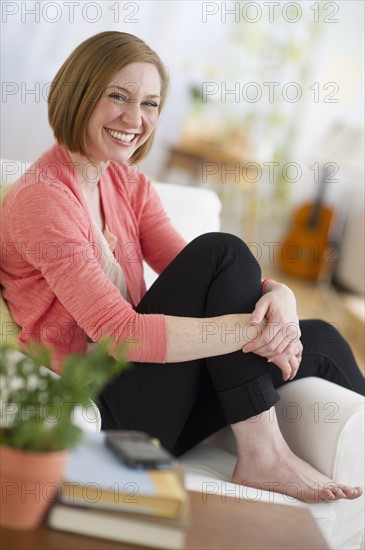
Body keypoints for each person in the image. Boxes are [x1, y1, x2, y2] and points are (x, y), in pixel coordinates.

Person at [1, 31, 364, 503]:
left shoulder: (128, 184)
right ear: (79, 92)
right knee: (223, 250)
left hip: (159, 400)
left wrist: (281, 295)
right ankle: (263, 457)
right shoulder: (41, 199)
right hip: (105, 413)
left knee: (324, 340)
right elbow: (120, 333)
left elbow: (217, 279)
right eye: (118, 96)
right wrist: (251, 332)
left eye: (150, 103)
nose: (135, 119)